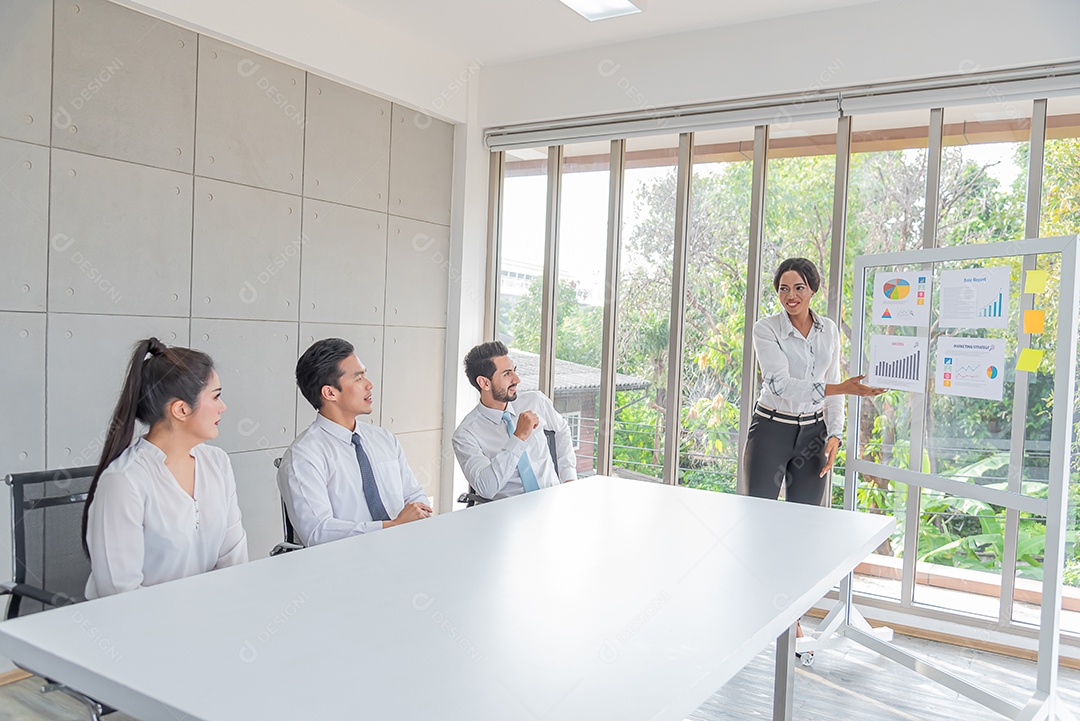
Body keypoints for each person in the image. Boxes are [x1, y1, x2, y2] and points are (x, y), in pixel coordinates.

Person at [82, 338, 248, 599]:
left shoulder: (217, 463)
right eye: (216, 396)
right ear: (181, 409)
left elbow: (234, 561)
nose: (222, 407)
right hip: (141, 631)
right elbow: (118, 595)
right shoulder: (125, 481)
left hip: (211, 621)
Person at [743, 257, 885, 505]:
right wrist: (842, 388)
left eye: (799, 287)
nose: (791, 296)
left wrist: (834, 434)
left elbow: (833, 381)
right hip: (771, 430)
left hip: (813, 435)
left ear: (812, 289)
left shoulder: (829, 329)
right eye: (783, 289)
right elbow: (780, 384)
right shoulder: (765, 329)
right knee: (757, 513)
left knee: (806, 518)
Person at [277, 338, 431, 546]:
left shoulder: (384, 439)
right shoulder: (303, 456)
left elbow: (414, 494)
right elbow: (317, 531)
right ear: (330, 393)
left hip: (404, 548)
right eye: (358, 378)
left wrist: (415, 516)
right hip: (346, 564)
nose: (370, 384)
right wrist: (391, 527)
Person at [453, 341, 577, 500]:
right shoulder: (466, 434)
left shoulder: (535, 401)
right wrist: (518, 438)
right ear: (484, 383)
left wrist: (569, 477)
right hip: (507, 514)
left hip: (552, 502)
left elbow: (562, 430)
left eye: (514, 371)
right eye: (506, 374)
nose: (517, 379)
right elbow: (486, 488)